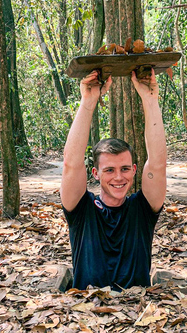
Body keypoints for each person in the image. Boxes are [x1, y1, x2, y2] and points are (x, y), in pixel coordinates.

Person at [60, 68, 166, 290]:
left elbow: (157, 163)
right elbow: (71, 163)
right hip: (87, 315)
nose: (119, 177)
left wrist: (150, 100)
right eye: (109, 170)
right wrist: (88, 102)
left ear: (135, 170)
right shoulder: (82, 210)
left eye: (125, 168)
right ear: (95, 174)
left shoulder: (142, 210)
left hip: (137, 315)